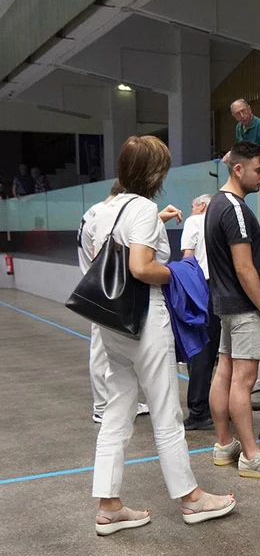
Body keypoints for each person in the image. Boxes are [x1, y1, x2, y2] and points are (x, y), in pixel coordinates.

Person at [86, 136, 235, 535]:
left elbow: (102, 261)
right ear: (154, 173)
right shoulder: (142, 208)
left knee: (117, 411)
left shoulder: (100, 210)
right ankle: (191, 498)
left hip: (111, 323)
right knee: (166, 412)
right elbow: (140, 267)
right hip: (145, 321)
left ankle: (108, 505)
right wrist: (178, 273)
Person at [205, 141, 260, 479]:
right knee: (243, 381)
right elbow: (244, 267)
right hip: (242, 308)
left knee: (224, 373)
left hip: (226, 304)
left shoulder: (215, 203)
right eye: (259, 170)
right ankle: (251, 455)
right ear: (238, 169)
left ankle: (224, 444)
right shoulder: (235, 209)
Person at [81, 181, 179, 423]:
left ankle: (106, 406)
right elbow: (134, 257)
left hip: (100, 291)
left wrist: (157, 219)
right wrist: (177, 275)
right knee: (102, 355)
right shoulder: (109, 212)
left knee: (109, 360)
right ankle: (102, 405)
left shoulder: (94, 213)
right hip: (112, 294)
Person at [180, 194, 218, 430]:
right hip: (225, 289)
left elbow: (188, 258)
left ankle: (198, 411)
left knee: (199, 350)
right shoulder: (222, 220)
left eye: (192, 206)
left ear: (201, 206)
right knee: (222, 352)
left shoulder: (194, 221)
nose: (190, 209)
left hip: (201, 289)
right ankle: (222, 406)